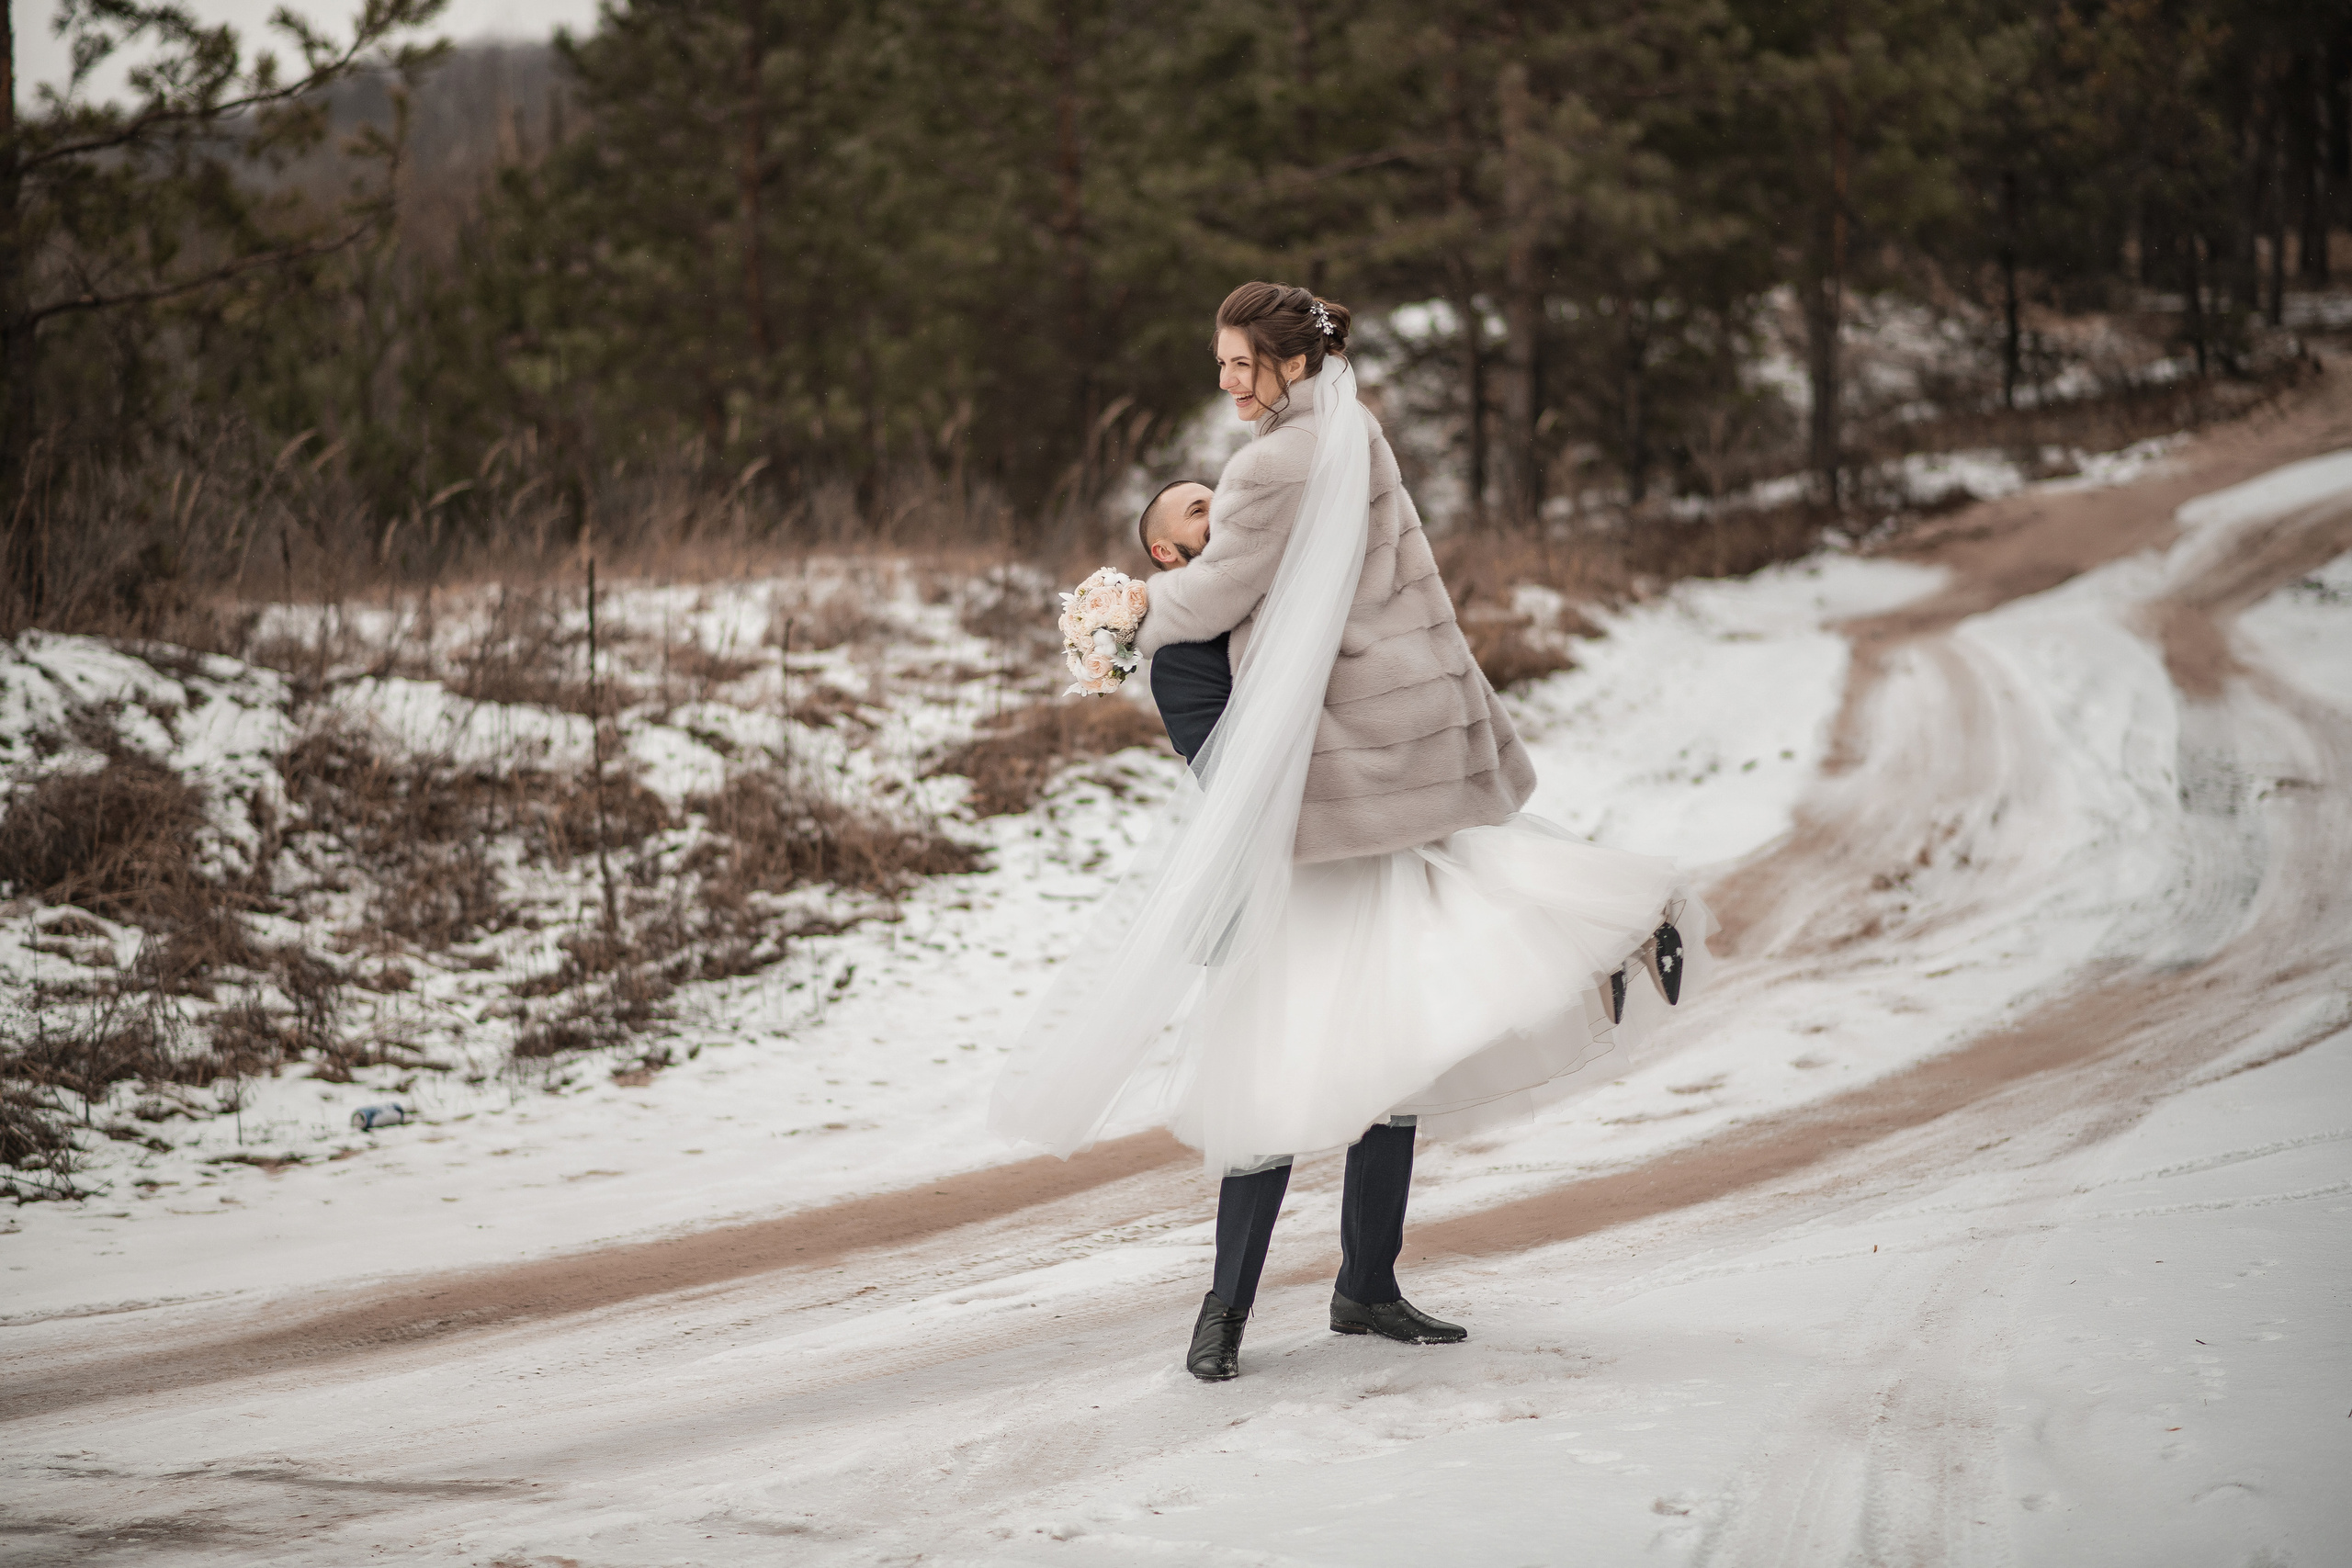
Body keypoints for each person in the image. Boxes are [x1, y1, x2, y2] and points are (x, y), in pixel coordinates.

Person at [991, 282, 1713, 1383]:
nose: (1225, 381)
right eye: (1221, 362)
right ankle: (1353, 1287)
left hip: (1325, 795)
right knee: (1386, 1042)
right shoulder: (1349, 432)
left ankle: (1257, 1308)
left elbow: (1223, 586)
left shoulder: (1273, 465)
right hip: (1375, 759)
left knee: (1289, 1054)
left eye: (1240, 362)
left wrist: (1122, 614)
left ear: (1288, 362)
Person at [1136, 479, 1227, 767]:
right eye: (1198, 512)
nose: (1223, 514)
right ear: (1164, 552)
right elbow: (1228, 774)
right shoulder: (1178, 663)